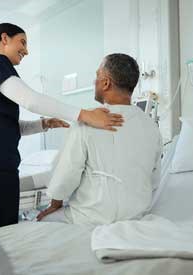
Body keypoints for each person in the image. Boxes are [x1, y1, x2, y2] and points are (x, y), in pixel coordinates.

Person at [0, 23, 124, 231]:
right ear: (4, 39)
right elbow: (31, 100)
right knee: (3, 232)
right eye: (23, 42)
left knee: (2, 228)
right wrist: (85, 115)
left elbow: (3, 126)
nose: (26, 51)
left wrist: (43, 124)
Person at [36, 53, 162, 226]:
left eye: (97, 76)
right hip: (135, 217)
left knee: (42, 220)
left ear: (106, 83)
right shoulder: (151, 127)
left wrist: (54, 205)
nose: (94, 81)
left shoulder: (89, 122)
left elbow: (66, 174)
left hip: (89, 217)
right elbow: (154, 179)